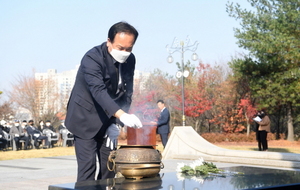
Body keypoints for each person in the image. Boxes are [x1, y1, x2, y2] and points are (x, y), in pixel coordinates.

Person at [65, 21, 143, 182]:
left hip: (108, 119)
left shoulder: (130, 59)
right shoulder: (92, 58)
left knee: (110, 167)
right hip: (84, 118)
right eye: (120, 48)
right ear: (109, 41)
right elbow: (98, 91)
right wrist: (122, 115)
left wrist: (116, 123)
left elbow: (127, 92)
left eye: (129, 48)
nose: (125, 52)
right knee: (88, 169)